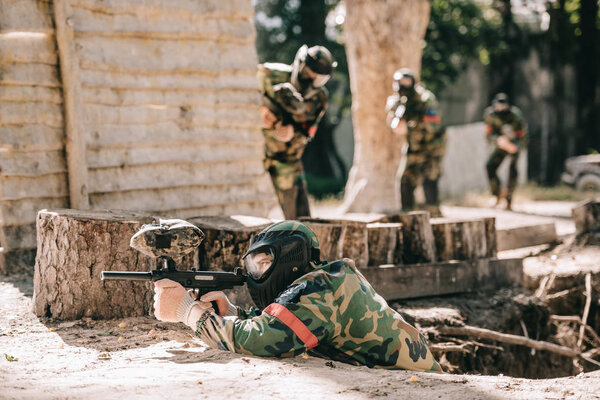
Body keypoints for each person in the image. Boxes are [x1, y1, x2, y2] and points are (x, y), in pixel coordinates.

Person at [153, 221, 442, 372]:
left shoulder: (320, 290)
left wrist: (188, 312)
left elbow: (264, 339)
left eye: (264, 262)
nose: (257, 273)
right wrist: (233, 312)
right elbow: (281, 318)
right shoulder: (328, 280)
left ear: (292, 255)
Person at [257, 45, 335, 219]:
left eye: (319, 79)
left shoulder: (320, 97)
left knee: (300, 222)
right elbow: (238, 96)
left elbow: (309, 131)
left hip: (286, 160)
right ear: (300, 65)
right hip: (254, 155)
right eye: (309, 73)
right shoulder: (269, 74)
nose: (312, 81)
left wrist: (293, 133)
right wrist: (259, 113)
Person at [385, 68, 445, 217]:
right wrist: (395, 123)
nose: (403, 87)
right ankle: (408, 217)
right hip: (414, 146)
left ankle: (435, 217)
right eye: (400, 83)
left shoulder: (426, 99)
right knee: (405, 179)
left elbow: (433, 126)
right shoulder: (397, 101)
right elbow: (392, 119)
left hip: (433, 146)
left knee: (429, 180)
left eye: (406, 83)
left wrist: (410, 126)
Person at [483, 93, 527, 210]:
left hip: (513, 144)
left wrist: (516, 146)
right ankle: (496, 194)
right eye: (498, 105)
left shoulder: (515, 115)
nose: (501, 108)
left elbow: (522, 133)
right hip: (499, 144)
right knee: (490, 166)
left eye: (503, 105)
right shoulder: (490, 114)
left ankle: (508, 199)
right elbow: (489, 133)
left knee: (512, 170)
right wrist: (498, 141)